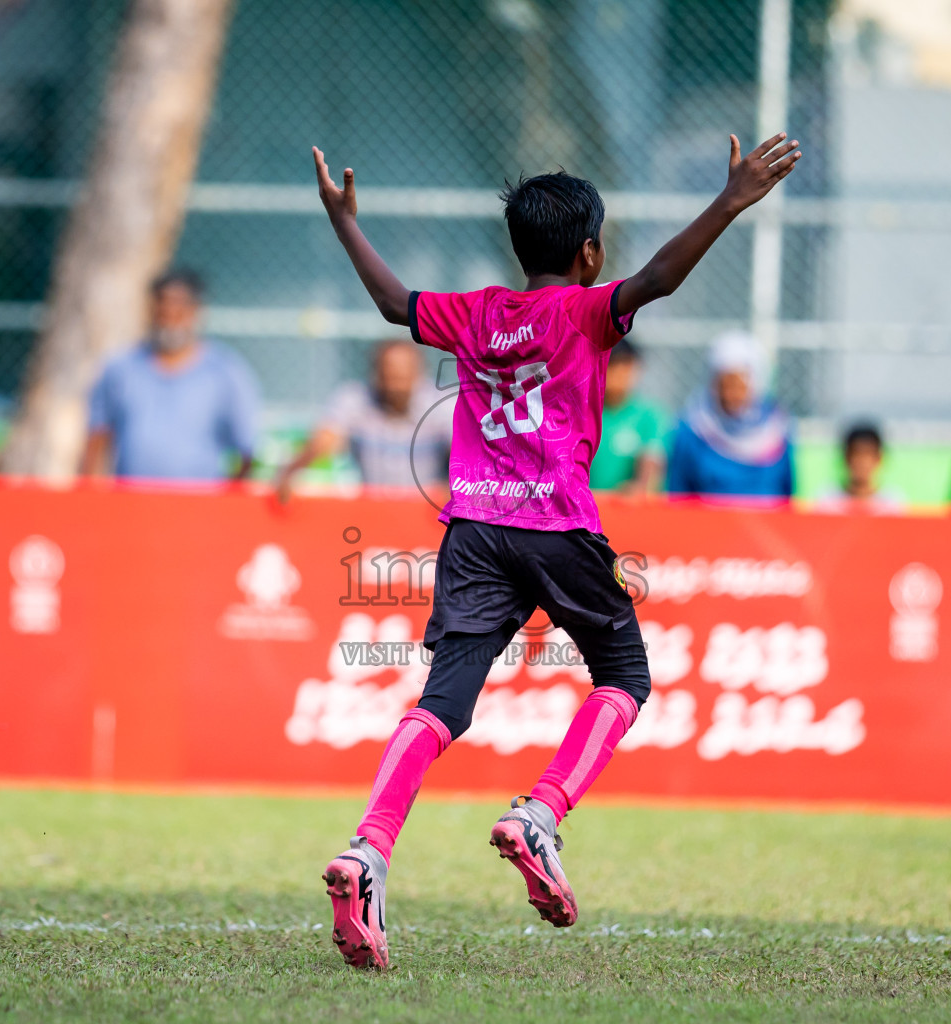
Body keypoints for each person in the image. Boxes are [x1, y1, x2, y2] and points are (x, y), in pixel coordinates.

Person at [311, 126, 800, 969]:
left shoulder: (475, 314)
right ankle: (539, 814)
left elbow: (396, 305)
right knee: (625, 678)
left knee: (442, 704)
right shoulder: (584, 310)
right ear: (588, 251)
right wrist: (729, 200)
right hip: (559, 530)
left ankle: (367, 849)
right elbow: (658, 280)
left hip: (473, 533)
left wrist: (345, 221)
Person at [82, 269, 262, 482]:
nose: (170, 318)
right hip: (131, 503)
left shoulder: (224, 371)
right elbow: (98, 438)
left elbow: (247, 451)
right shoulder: (121, 368)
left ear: (196, 311)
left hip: (199, 505)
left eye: (179, 310)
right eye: (162, 309)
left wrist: (227, 506)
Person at [274, 339, 451, 500]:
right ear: (376, 375)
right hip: (372, 509)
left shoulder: (442, 406)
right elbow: (326, 439)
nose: (397, 386)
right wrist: (292, 470)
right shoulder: (356, 398)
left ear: (419, 374)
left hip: (427, 513)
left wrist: (452, 489)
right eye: (390, 377)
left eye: (403, 378)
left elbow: (464, 452)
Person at [665, 332, 794, 499]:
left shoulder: (777, 429)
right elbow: (678, 494)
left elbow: (787, 494)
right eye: (723, 385)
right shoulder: (693, 429)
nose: (730, 395)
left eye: (739, 386)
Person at [588, 338, 668, 494]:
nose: (620, 373)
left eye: (626, 365)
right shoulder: (582, 413)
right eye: (613, 365)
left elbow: (652, 464)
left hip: (628, 511)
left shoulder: (649, 416)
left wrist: (641, 487)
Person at [814, 422, 905, 513]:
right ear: (846, 457)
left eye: (868, 455)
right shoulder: (828, 501)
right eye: (856, 454)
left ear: (878, 458)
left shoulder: (892, 504)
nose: (862, 462)